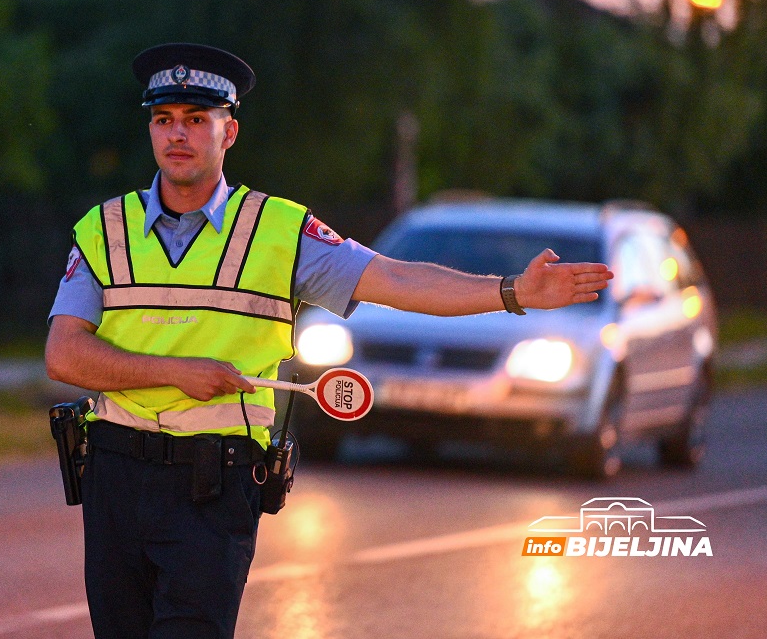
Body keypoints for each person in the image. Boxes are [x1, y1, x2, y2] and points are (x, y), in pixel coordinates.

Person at [45, 42, 612, 639]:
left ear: (228, 132)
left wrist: (513, 291)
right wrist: (174, 371)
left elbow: (392, 277)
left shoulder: (280, 229)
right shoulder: (103, 229)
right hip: (113, 474)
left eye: (196, 120)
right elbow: (64, 353)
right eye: (164, 120)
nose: (177, 135)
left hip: (212, 483)